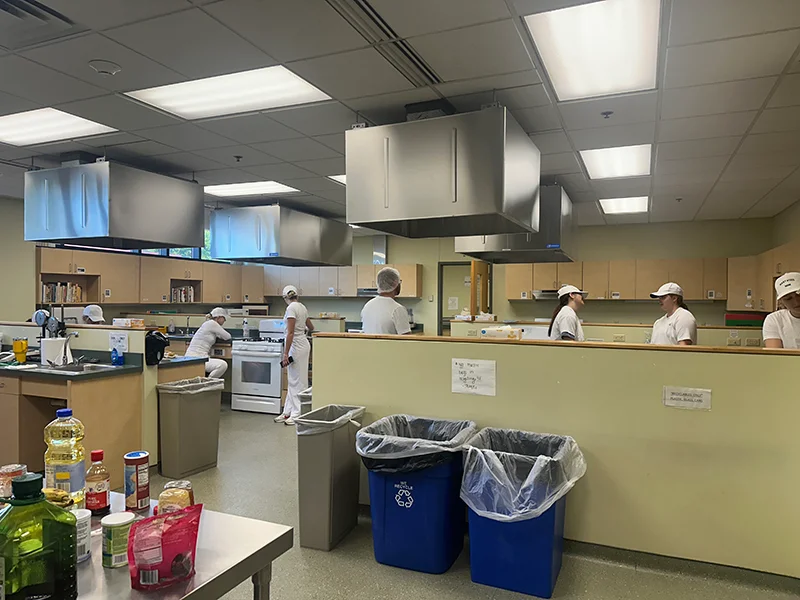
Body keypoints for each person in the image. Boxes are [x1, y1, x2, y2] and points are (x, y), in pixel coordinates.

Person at [274, 286, 314, 426]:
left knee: (298, 381)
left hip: (295, 346)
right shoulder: (302, 307)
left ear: (285, 297)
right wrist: (302, 332)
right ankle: (288, 411)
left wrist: (285, 353)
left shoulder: (291, 308)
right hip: (302, 344)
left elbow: (289, 333)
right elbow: (311, 326)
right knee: (293, 380)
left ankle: (297, 413)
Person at [361, 267, 412, 335]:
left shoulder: (367, 306)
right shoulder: (397, 309)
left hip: (369, 345)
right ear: (395, 284)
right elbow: (407, 339)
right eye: (399, 282)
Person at [185, 307, 231, 378]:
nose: (225, 320)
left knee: (220, 364)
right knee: (222, 365)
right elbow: (228, 336)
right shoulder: (212, 324)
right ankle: (208, 382)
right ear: (218, 317)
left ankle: (208, 382)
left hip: (194, 357)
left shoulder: (209, 324)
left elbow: (220, 335)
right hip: (196, 358)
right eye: (224, 318)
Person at [763, 272, 800, 349]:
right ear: (782, 302)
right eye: (788, 298)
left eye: (799, 295)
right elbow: (775, 356)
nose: (796, 301)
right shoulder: (774, 320)